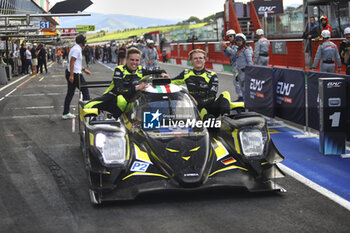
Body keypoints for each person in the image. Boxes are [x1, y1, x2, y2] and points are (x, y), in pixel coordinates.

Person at [84, 47, 168, 119]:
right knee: (87, 108)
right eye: (132, 60)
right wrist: (136, 88)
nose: (134, 63)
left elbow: (159, 70)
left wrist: (162, 73)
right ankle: (113, 119)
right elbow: (119, 90)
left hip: (132, 99)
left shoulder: (141, 70)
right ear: (126, 60)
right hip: (113, 97)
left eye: (137, 60)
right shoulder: (119, 70)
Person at [171, 49, 231, 119]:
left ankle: (226, 117)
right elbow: (172, 82)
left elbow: (212, 96)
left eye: (200, 58)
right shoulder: (186, 73)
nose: (198, 60)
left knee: (225, 94)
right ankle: (207, 119)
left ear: (204, 60)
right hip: (196, 108)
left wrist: (198, 102)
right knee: (206, 116)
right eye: (195, 58)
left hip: (210, 106)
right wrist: (163, 77)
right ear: (191, 61)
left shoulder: (212, 75)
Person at [62, 34, 91, 119]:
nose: (85, 42)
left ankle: (65, 113)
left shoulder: (76, 48)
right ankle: (88, 112)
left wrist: (84, 69)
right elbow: (72, 62)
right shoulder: (77, 49)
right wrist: (71, 76)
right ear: (82, 42)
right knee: (85, 91)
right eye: (85, 41)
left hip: (73, 72)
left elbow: (76, 63)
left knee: (70, 93)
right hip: (75, 74)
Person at [220, 29, 243, 101]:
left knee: (237, 81)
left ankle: (241, 97)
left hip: (238, 65)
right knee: (236, 81)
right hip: (233, 65)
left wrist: (226, 48)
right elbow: (227, 55)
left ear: (234, 36)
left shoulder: (237, 44)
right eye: (228, 37)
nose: (229, 38)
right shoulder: (231, 45)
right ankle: (240, 96)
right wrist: (224, 49)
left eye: (231, 36)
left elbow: (235, 53)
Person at [231, 33, 253, 101]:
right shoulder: (238, 50)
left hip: (245, 72)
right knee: (241, 88)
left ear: (243, 41)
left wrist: (249, 72)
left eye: (240, 40)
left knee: (246, 88)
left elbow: (250, 62)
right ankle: (243, 102)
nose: (238, 42)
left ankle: (248, 104)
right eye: (237, 41)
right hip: (239, 72)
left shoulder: (246, 50)